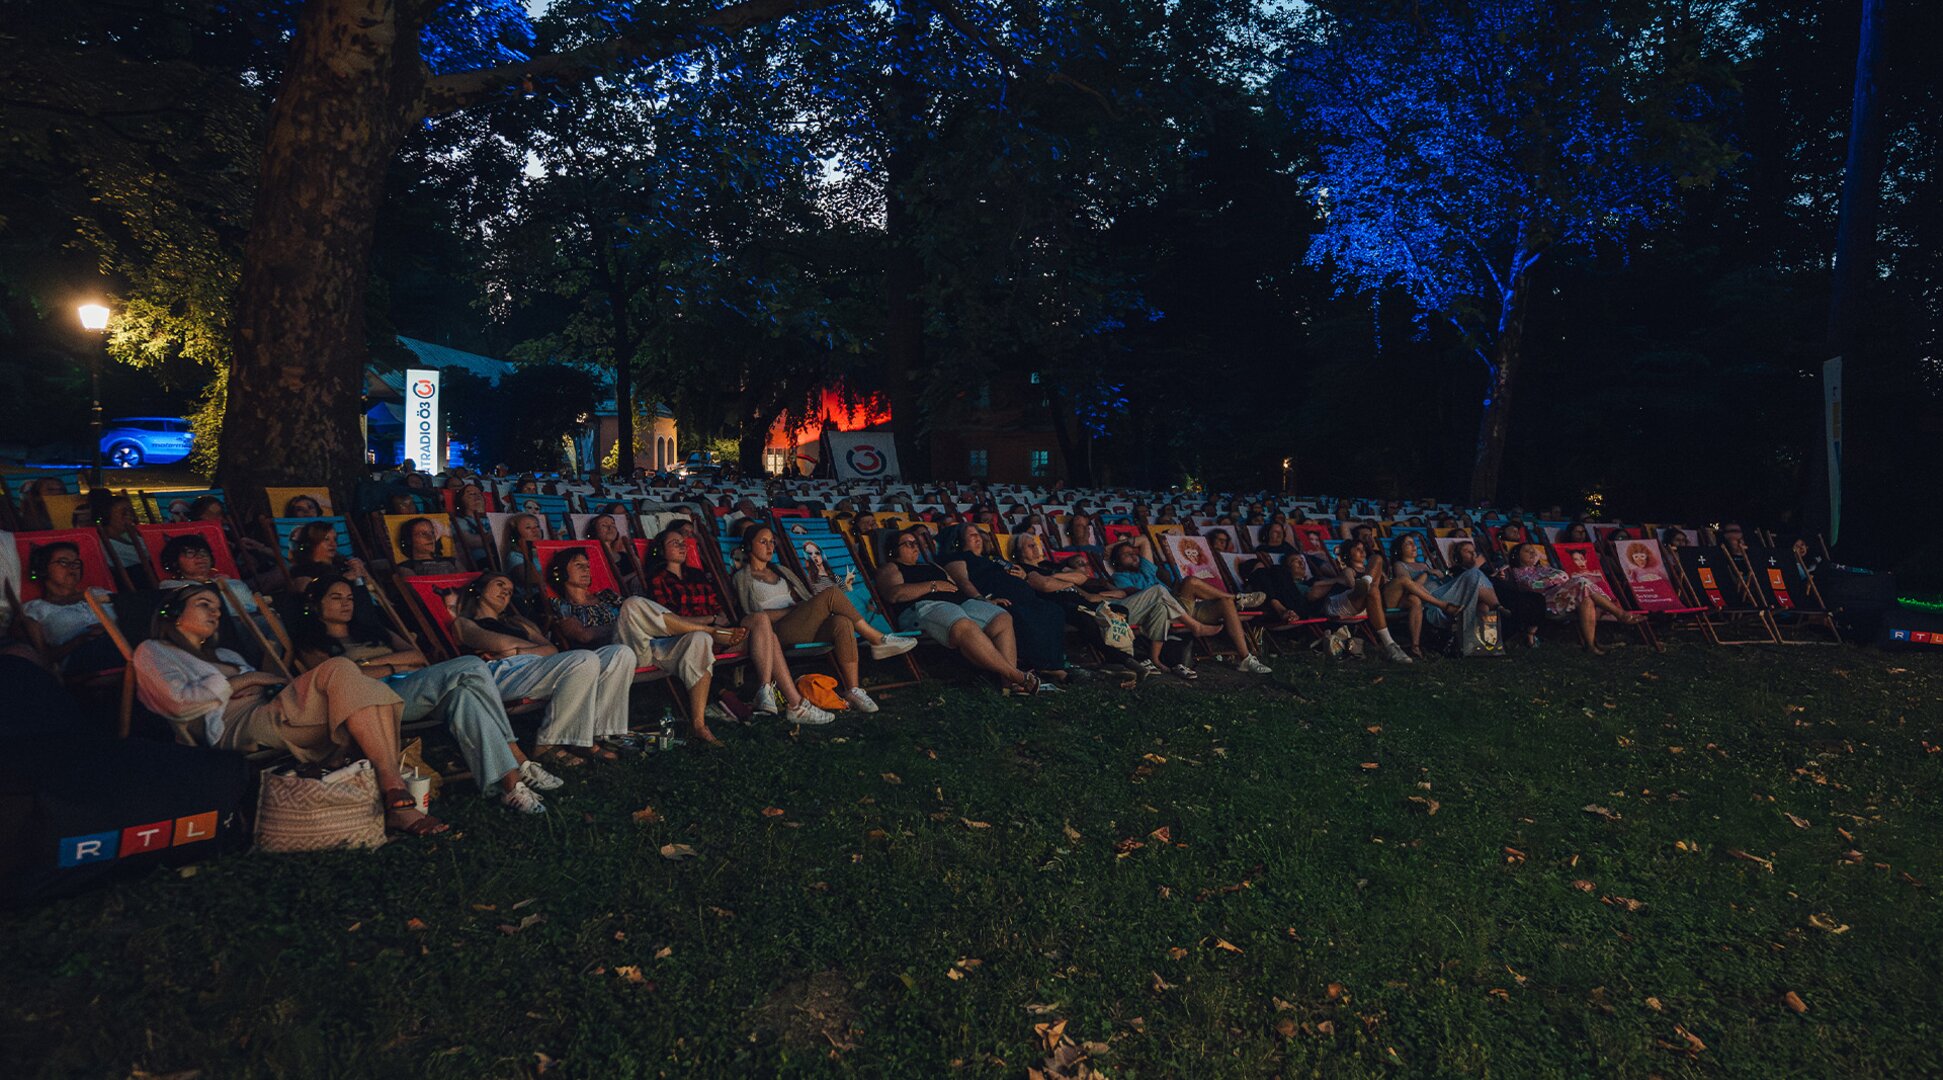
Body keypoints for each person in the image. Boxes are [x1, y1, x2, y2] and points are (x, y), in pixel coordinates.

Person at [131, 583, 446, 836]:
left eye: (217, 607)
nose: (215, 613)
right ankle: (396, 793)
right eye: (204, 604)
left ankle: (395, 797)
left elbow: (272, 681)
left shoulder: (224, 652)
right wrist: (246, 680)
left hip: (271, 708)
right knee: (339, 668)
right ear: (172, 613)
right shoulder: (154, 651)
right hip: (232, 725)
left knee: (364, 688)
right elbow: (179, 704)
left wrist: (255, 680)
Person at [291, 575, 558, 814]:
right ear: (316, 605)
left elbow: (417, 656)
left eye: (349, 597)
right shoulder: (313, 643)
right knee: (472, 666)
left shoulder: (374, 631)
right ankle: (514, 757)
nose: (346, 603)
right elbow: (338, 680)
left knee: (464, 697)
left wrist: (371, 666)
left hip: (411, 687)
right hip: (376, 703)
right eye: (336, 598)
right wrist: (393, 665)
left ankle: (505, 786)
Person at [546, 549, 738, 745]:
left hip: (645, 645)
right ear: (561, 572)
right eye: (579, 565)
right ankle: (707, 628)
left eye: (587, 565)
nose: (586, 569)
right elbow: (583, 635)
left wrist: (635, 622)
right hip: (617, 655)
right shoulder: (562, 606)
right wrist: (623, 623)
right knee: (632, 606)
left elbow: (639, 617)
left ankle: (698, 725)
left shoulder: (606, 595)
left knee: (698, 639)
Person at [643, 531, 833, 725]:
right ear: (660, 550)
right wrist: (710, 619)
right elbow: (669, 621)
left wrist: (718, 619)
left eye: (683, 543)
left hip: (720, 634)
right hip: (691, 640)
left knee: (761, 622)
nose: (682, 546)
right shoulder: (658, 579)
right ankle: (796, 705)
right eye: (675, 543)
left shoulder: (697, 575)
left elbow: (720, 610)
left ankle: (767, 691)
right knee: (770, 638)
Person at [453, 572, 637, 763]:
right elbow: (501, 645)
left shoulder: (518, 622)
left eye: (509, 591)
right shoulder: (464, 623)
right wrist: (524, 649)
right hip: (501, 672)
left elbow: (551, 649)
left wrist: (516, 651)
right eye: (499, 585)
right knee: (584, 658)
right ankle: (547, 743)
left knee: (621, 653)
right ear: (480, 590)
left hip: (535, 667)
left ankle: (598, 734)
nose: (505, 592)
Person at [730, 526, 915, 713]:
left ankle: (853, 689)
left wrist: (803, 608)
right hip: (775, 633)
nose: (770, 547)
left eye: (772, 542)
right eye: (763, 542)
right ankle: (876, 638)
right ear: (748, 546)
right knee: (832, 593)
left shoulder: (782, 571)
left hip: (802, 625)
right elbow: (754, 616)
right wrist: (794, 610)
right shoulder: (743, 578)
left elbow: (805, 599)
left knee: (842, 622)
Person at [874, 526, 1041, 695]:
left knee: (1002, 617)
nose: (915, 546)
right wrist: (933, 585)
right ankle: (1017, 676)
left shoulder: (932, 565)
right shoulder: (891, 568)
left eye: (915, 542)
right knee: (963, 625)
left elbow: (955, 585)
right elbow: (893, 594)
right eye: (908, 544)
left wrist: (984, 601)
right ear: (893, 551)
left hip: (960, 603)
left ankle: (1008, 685)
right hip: (924, 606)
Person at [1107, 535, 1270, 677]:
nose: (1134, 556)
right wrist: (1113, 549)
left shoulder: (1146, 570)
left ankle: (1246, 658)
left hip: (1182, 607)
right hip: (1164, 611)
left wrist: (1114, 545)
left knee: (1225, 603)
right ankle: (1237, 598)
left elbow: (1143, 540)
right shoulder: (1120, 577)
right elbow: (1139, 597)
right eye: (1127, 555)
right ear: (1117, 561)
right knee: (1190, 582)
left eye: (1133, 552)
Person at [1013, 532, 1170, 675]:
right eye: (1030, 545)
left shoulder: (1050, 566)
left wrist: (1056, 576)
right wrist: (1066, 582)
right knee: (1089, 619)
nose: (1035, 548)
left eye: (1035, 544)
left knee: (1119, 610)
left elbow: (1081, 577)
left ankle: (1125, 660)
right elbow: (1045, 585)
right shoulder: (1023, 569)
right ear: (1019, 552)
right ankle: (1123, 661)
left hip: (1084, 599)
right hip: (1064, 603)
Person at [939, 526, 1069, 679]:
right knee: (1021, 614)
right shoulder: (959, 558)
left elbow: (1018, 573)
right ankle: (1040, 664)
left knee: (1053, 610)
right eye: (972, 535)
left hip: (1025, 597)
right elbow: (962, 581)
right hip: (998, 599)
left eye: (979, 534)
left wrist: (1022, 575)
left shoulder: (994, 559)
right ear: (958, 542)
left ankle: (1052, 663)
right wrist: (983, 600)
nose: (978, 538)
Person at [1502, 543, 1644, 653]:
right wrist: (1552, 580)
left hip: (1564, 597)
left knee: (1586, 599)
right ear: (1517, 556)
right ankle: (1620, 614)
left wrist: (1550, 580)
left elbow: (1563, 575)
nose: (1532, 552)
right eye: (1527, 551)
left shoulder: (1543, 569)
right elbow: (1533, 585)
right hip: (1546, 603)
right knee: (1582, 582)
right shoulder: (1517, 572)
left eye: (1533, 550)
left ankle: (1590, 646)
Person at [1306, 539, 1415, 664]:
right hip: (1340, 603)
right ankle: (1390, 645)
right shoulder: (1348, 570)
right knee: (1369, 590)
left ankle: (1366, 582)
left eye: (1363, 549)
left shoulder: (1370, 569)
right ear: (1348, 554)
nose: (1362, 551)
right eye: (1357, 549)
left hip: (1366, 604)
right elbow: (1352, 587)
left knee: (1377, 560)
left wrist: (1381, 578)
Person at [19, 541, 121, 673]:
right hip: (81, 659)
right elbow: (42, 658)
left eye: (76, 563)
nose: (72, 567)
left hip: (122, 645)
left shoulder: (100, 593)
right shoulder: (34, 609)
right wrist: (80, 640)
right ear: (43, 569)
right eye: (63, 562)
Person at [1381, 535, 1464, 657]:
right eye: (1408, 544)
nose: (1414, 546)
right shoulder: (1399, 564)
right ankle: (1443, 606)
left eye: (1414, 543)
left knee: (1415, 600)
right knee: (1413, 596)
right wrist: (1426, 573)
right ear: (1399, 549)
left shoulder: (1425, 565)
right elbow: (1409, 586)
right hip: (1403, 598)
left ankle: (1415, 647)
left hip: (1425, 598)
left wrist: (1441, 574)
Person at [286, 522, 370, 595]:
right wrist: (343, 579)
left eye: (335, 539)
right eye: (326, 539)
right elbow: (309, 592)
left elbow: (374, 592)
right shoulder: (302, 571)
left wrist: (365, 575)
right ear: (311, 543)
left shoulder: (344, 564)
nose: (333, 544)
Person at [84, 489, 147, 584]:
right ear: (107, 516)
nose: (130, 517)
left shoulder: (131, 536)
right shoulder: (103, 545)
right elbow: (148, 556)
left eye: (131, 512)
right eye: (124, 513)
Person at [587, 514, 643, 594]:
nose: (610, 528)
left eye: (613, 524)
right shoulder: (593, 559)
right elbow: (608, 585)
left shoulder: (624, 555)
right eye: (604, 525)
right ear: (593, 532)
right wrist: (637, 573)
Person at [393, 516, 462, 577]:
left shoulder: (452, 561)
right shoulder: (406, 568)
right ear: (409, 539)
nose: (430, 537)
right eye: (423, 534)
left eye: (432, 533)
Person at [501, 512, 546, 602]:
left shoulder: (544, 551)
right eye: (528, 528)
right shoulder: (514, 556)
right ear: (516, 535)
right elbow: (533, 580)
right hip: (535, 600)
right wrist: (526, 553)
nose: (535, 530)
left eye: (537, 526)